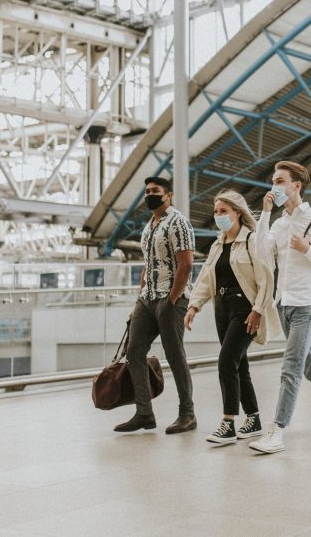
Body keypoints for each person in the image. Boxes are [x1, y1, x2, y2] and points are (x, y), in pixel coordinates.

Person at [249, 160, 311, 454]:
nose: (274, 187)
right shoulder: (279, 224)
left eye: (280, 181)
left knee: (291, 366)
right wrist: (265, 215)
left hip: (308, 302)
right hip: (284, 303)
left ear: (296, 186)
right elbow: (260, 252)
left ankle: (277, 430)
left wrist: (309, 250)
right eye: (273, 181)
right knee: (308, 363)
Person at [185, 190, 280, 445]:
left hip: (244, 308)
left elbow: (265, 278)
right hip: (222, 308)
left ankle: (228, 422)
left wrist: (258, 309)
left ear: (237, 212)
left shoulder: (251, 240)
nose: (219, 216)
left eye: (224, 211)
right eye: (216, 212)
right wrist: (194, 306)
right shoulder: (218, 245)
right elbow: (206, 279)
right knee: (240, 365)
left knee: (226, 361)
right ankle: (253, 419)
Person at [114, 176, 197, 435]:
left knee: (175, 355)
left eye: (155, 191)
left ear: (168, 195)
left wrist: (172, 299)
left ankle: (187, 414)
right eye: (147, 191)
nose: (150, 194)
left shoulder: (178, 222)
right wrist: (139, 299)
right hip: (147, 299)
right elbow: (147, 266)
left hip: (170, 299)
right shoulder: (149, 226)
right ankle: (144, 413)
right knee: (134, 353)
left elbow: (186, 264)